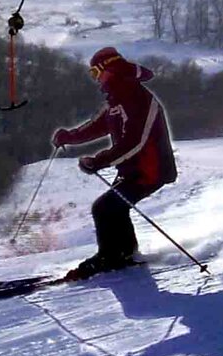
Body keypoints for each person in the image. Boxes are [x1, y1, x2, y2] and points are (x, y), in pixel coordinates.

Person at [52, 47, 177, 281]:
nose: (95, 78)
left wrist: (98, 161)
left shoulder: (138, 97)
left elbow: (134, 142)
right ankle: (124, 254)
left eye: (95, 72)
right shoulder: (118, 97)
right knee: (113, 208)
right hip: (134, 168)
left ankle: (111, 257)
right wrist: (69, 136)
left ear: (108, 68)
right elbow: (98, 126)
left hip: (151, 168)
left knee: (105, 207)